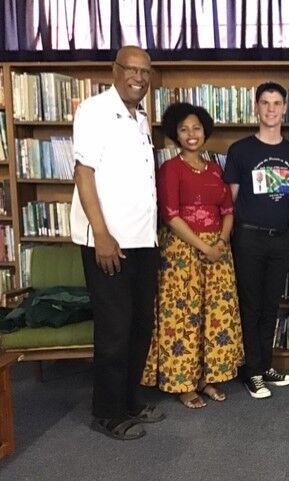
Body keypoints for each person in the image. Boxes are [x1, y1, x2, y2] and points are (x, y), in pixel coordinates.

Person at [71, 45, 164, 440]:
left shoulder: (141, 118)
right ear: (115, 70)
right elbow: (84, 173)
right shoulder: (94, 111)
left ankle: (129, 398)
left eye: (145, 72)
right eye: (131, 69)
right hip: (109, 242)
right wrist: (102, 235)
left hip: (143, 241)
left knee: (141, 325)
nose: (139, 78)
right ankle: (107, 411)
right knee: (114, 329)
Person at [141, 103, 243, 408]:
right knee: (182, 318)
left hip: (218, 252)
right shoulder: (169, 169)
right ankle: (182, 383)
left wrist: (222, 242)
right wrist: (205, 247)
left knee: (213, 315)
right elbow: (170, 215)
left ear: (205, 131)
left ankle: (206, 378)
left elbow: (227, 209)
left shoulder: (215, 169)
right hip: (182, 253)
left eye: (196, 128)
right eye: (184, 129)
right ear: (175, 134)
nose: (191, 134)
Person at [223, 81, 289, 398]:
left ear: (284, 109)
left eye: (276, 103)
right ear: (256, 107)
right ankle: (251, 371)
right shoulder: (241, 150)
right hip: (248, 238)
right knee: (250, 305)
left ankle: (265, 365)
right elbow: (232, 199)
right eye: (265, 103)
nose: (271, 109)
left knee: (272, 305)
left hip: (280, 240)